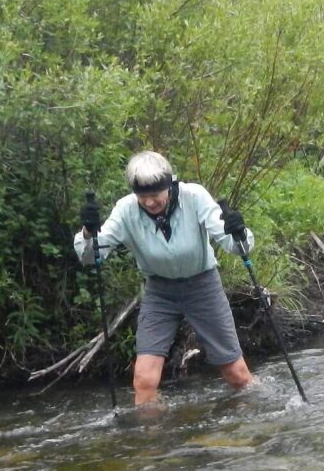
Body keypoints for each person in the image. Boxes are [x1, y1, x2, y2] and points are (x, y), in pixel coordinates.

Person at [75, 151, 257, 409]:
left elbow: (235, 245)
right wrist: (88, 231)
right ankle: (154, 442)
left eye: (155, 195)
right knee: (144, 380)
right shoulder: (126, 209)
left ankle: (259, 411)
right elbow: (92, 256)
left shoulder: (194, 196)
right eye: (143, 197)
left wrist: (238, 231)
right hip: (159, 292)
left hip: (203, 286)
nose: (149, 202)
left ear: (170, 185)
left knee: (235, 374)